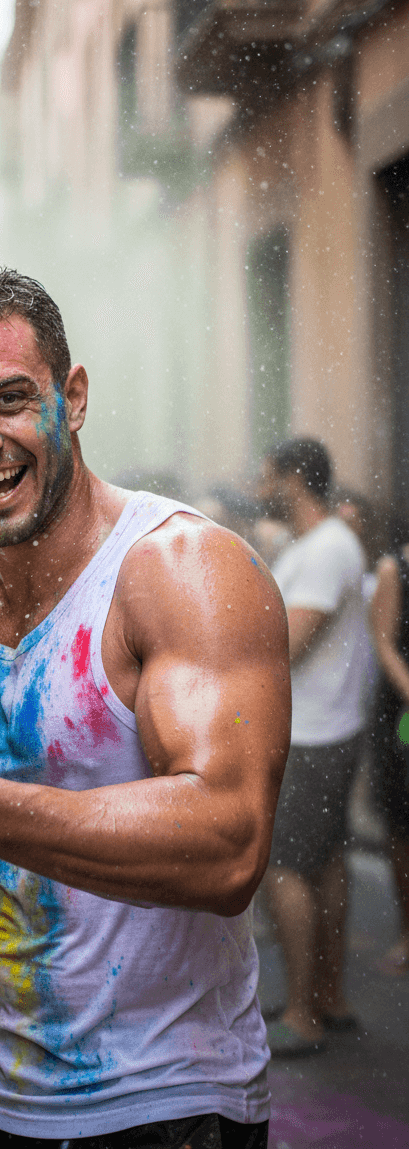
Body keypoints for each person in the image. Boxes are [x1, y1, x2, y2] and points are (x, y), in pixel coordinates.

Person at [0, 262, 290, 1148]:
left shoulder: (183, 569)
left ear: (71, 398)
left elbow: (230, 847)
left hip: (163, 1101)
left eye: (8, 399)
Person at [259, 439, 368, 1056]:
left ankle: (303, 1015)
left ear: (294, 479)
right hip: (323, 728)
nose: (260, 485)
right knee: (325, 862)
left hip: (313, 733)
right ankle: (327, 997)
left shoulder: (327, 548)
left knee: (285, 867)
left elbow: (287, 646)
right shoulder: (316, 545)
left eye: (268, 475)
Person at [368, 524, 409, 975]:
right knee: (403, 823)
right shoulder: (394, 568)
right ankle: (407, 933)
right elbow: (385, 644)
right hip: (404, 717)